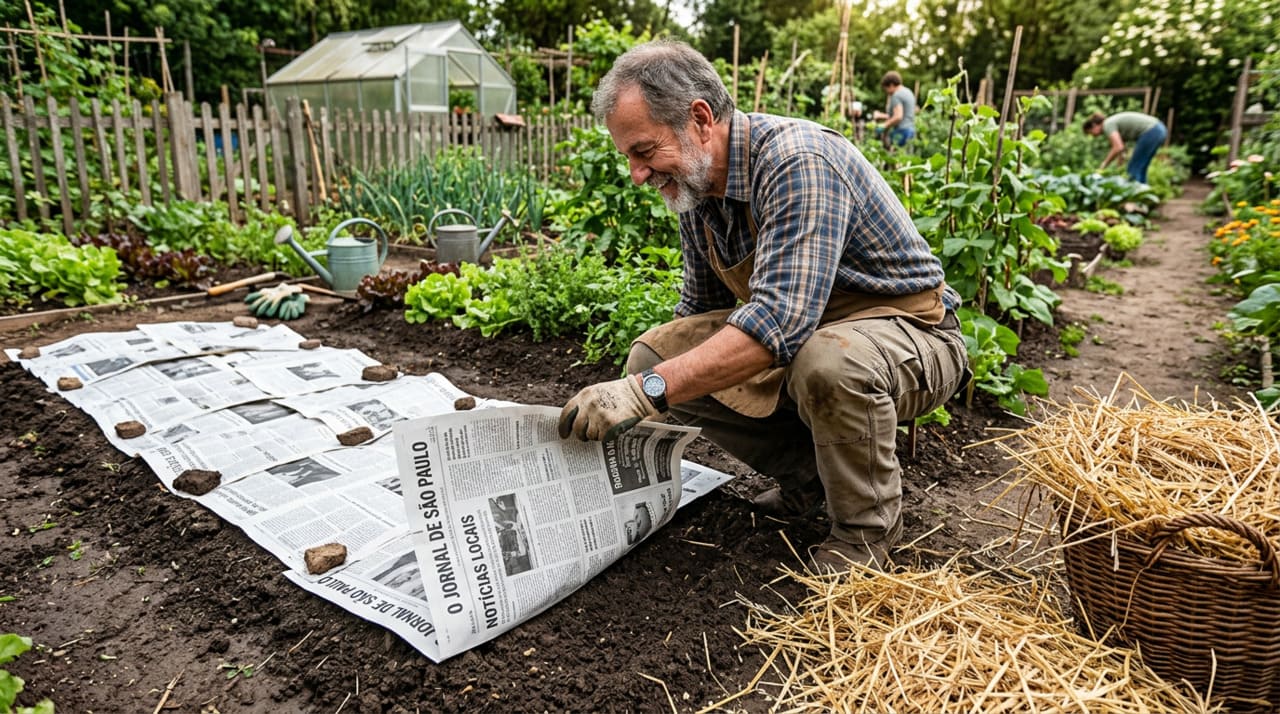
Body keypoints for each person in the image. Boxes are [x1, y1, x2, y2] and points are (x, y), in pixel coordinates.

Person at [557, 39, 969, 573]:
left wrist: (647, 394)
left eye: (643, 151)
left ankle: (864, 535)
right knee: (654, 359)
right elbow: (699, 314)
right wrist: (639, 387)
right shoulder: (698, 189)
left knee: (828, 361)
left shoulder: (798, 161)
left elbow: (777, 323)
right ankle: (812, 483)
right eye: (629, 157)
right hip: (811, 336)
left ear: (699, 119)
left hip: (910, 333)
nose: (637, 173)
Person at [1083, 111, 1167, 184]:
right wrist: (1120, 163)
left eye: (1090, 132)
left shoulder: (1107, 124)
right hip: (1159, 129)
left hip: (1152, 131)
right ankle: (1144, 196)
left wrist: (1104, 164)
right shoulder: (1111, 123)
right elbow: (1122, 148)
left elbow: (1118, 147)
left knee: (1133, 169)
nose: (1093, 136)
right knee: (1141, 168)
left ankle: (1134, 198)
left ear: (1094, 125)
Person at [872, 71, 916, 148]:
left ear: (891, 85)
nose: (886, 92)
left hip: (901, 132)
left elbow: (898, 117)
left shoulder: (896, 95)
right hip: (911, 130)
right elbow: (904, 113)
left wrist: (884, 125)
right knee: (907, 158)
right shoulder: (908, 92)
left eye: (886, 89)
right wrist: (881, 116)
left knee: (897, 158)